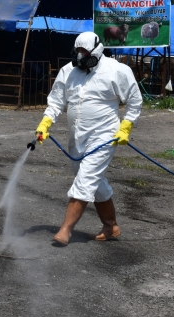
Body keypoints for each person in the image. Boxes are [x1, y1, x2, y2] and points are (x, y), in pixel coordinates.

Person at [35, 31, 142, 246]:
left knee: (85, 180)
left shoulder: (117, 71)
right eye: (78, 52)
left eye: (85, 52)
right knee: (94, 180)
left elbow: (134, 100)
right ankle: (111, 226)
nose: (80, 56)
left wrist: (126, 128)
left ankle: (66, 229)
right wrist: (45, 123)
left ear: (97, 50)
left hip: (104, 137)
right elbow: (56, 102)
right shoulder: (68, 71)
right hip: (77, 137)